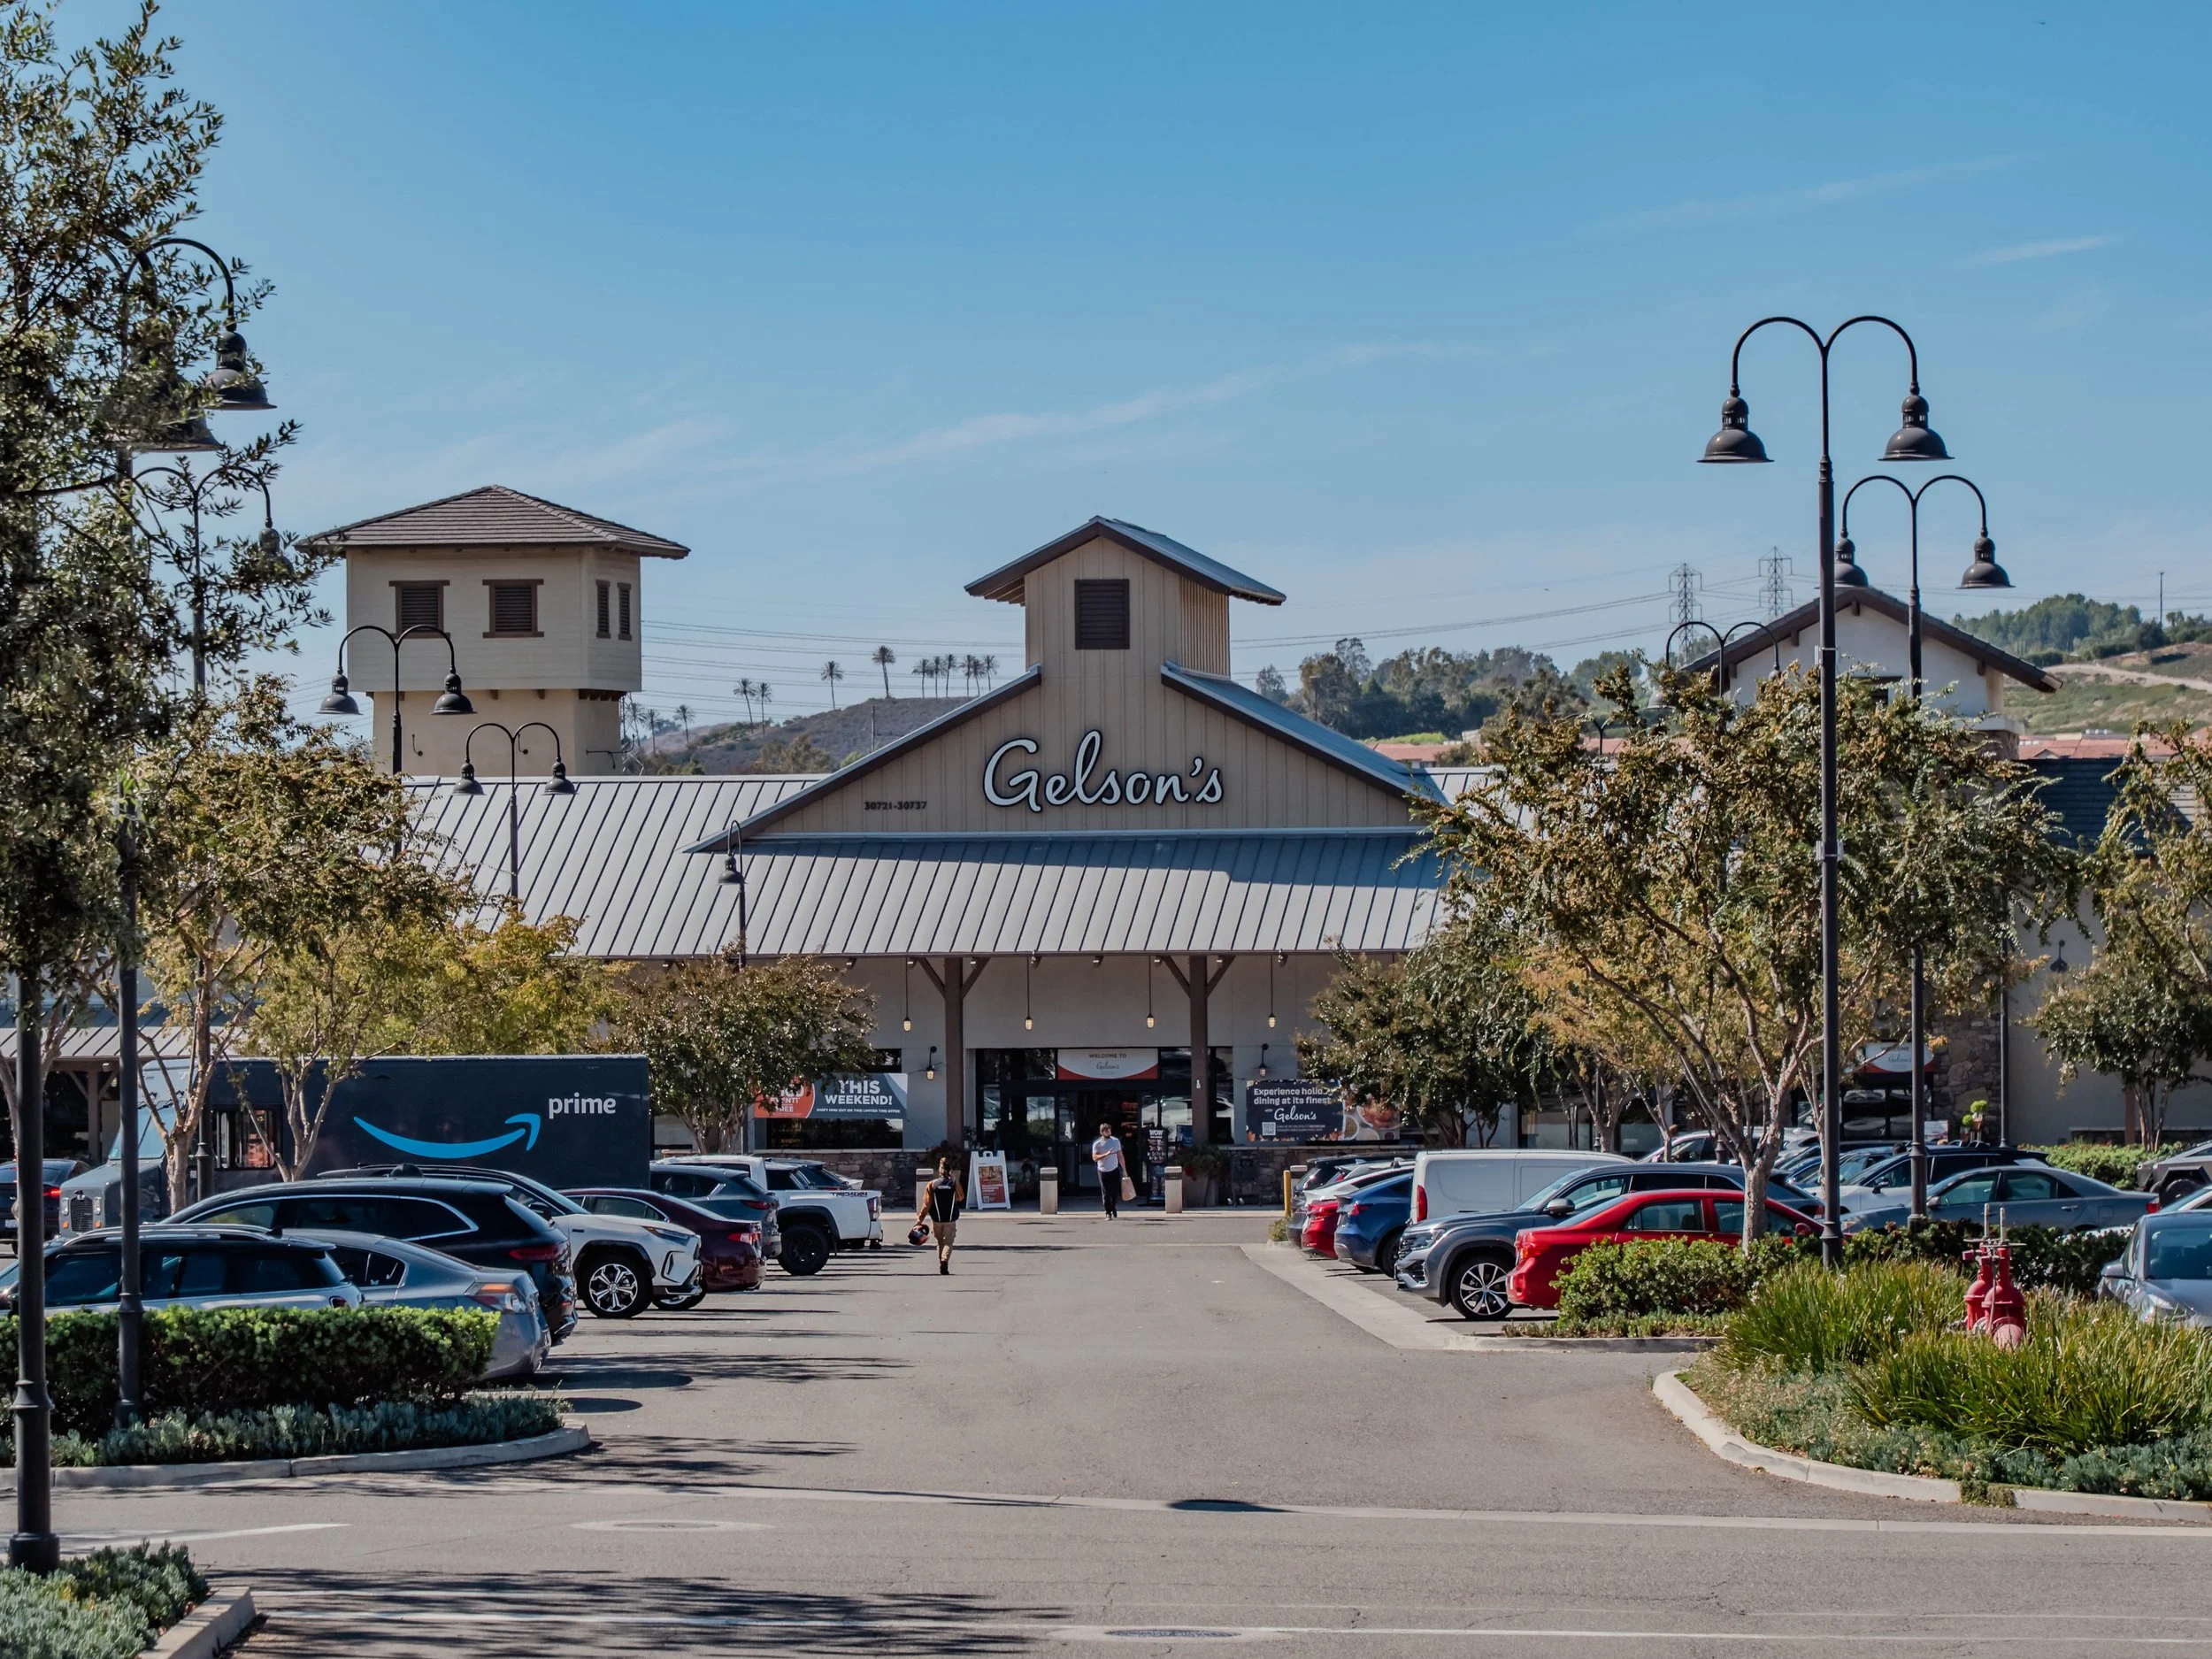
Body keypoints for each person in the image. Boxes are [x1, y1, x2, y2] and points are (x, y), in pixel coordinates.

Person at [915, 1156, 964, 1274]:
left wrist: (919, 1220)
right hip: (950, 1218)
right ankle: (944, 1261)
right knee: (948, 1242)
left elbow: (926, 1205)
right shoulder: (953, 1184)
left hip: (936, 1219)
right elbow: (960, 1197)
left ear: (940, 1170)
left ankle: (941, 1262)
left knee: (939, 1242)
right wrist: (955, 1181)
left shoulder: (932, 1185)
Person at [1091, 1121, 1125, 1219]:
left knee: (1114, 1192)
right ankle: (1108, 1212)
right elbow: (1094, 1157)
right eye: (1106, 1131)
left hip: (1114, 1169)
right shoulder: (1097, 1144)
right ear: (1102, 1132)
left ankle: (1113, 1207)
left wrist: (1124, 1169)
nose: (1108, 1132)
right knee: (1106, 1192)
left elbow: (1120, 1156)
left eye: (1109, 1130)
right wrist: (1105, 1154)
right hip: (1103, 1170)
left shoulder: (1115, 1141)